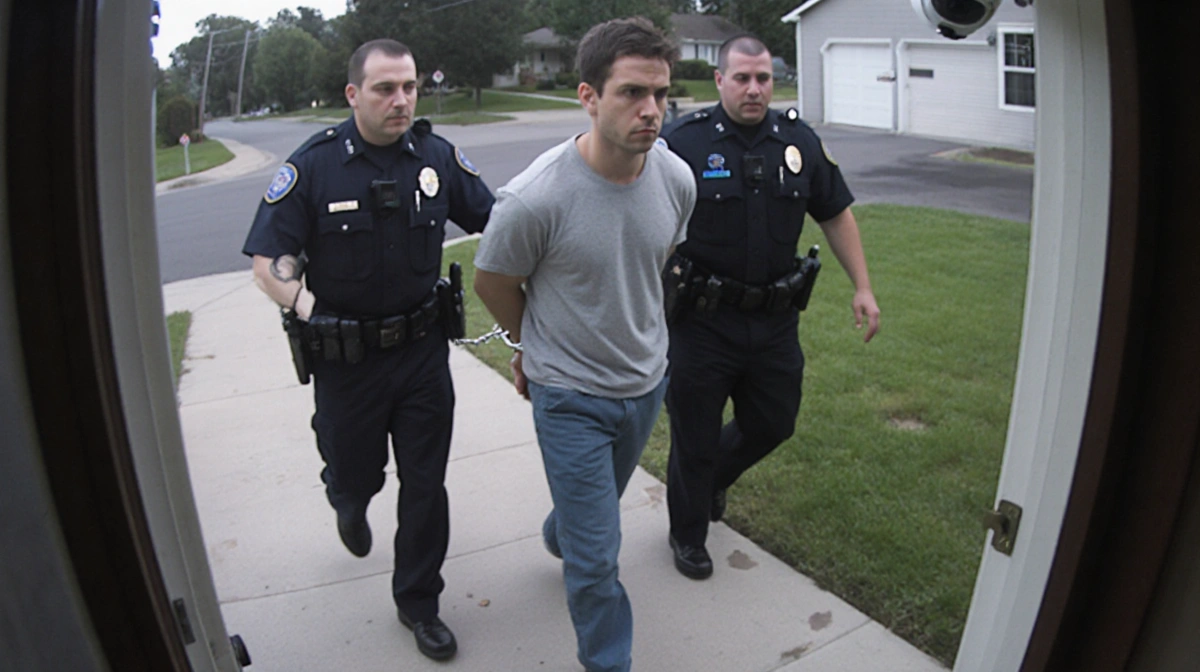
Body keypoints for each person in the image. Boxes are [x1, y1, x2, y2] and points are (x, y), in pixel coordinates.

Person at [241, 39, 494, 661]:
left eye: (408, 86)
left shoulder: (436, 157)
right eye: (385, 88)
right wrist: (307, 308)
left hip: (422, 355)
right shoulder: (314, 167)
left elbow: (497, 219)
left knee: (426, 484)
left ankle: (419, 602)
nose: (401, 99)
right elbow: (269, 263)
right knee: (357, 474)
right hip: (346, 362)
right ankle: (347, 500)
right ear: (353, 94)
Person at [472, 17, 695, 672]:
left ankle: (561, 529)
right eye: (630, 93)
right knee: (598, 559)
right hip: (569, 395)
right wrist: (527, 348)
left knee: (584, 522)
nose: (650, 110)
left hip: (645, 385)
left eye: (659, 93)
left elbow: (649, 264)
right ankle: (608, 662)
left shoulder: (676, 179)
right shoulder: (535, 200)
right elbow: (493, 281)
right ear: (588, 97)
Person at [659, 35, 880, 580]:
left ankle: (712, 481)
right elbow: (641, 215)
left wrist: (863, 286)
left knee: (774, 422)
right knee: (694, 433)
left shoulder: (797, 141)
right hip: (702, 320)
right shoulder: (681, 143)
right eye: (742, 78)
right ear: (719, 81)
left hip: (775, 319)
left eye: (763, 78)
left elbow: (835, 214)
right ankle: (688, 534)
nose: (754, 89)